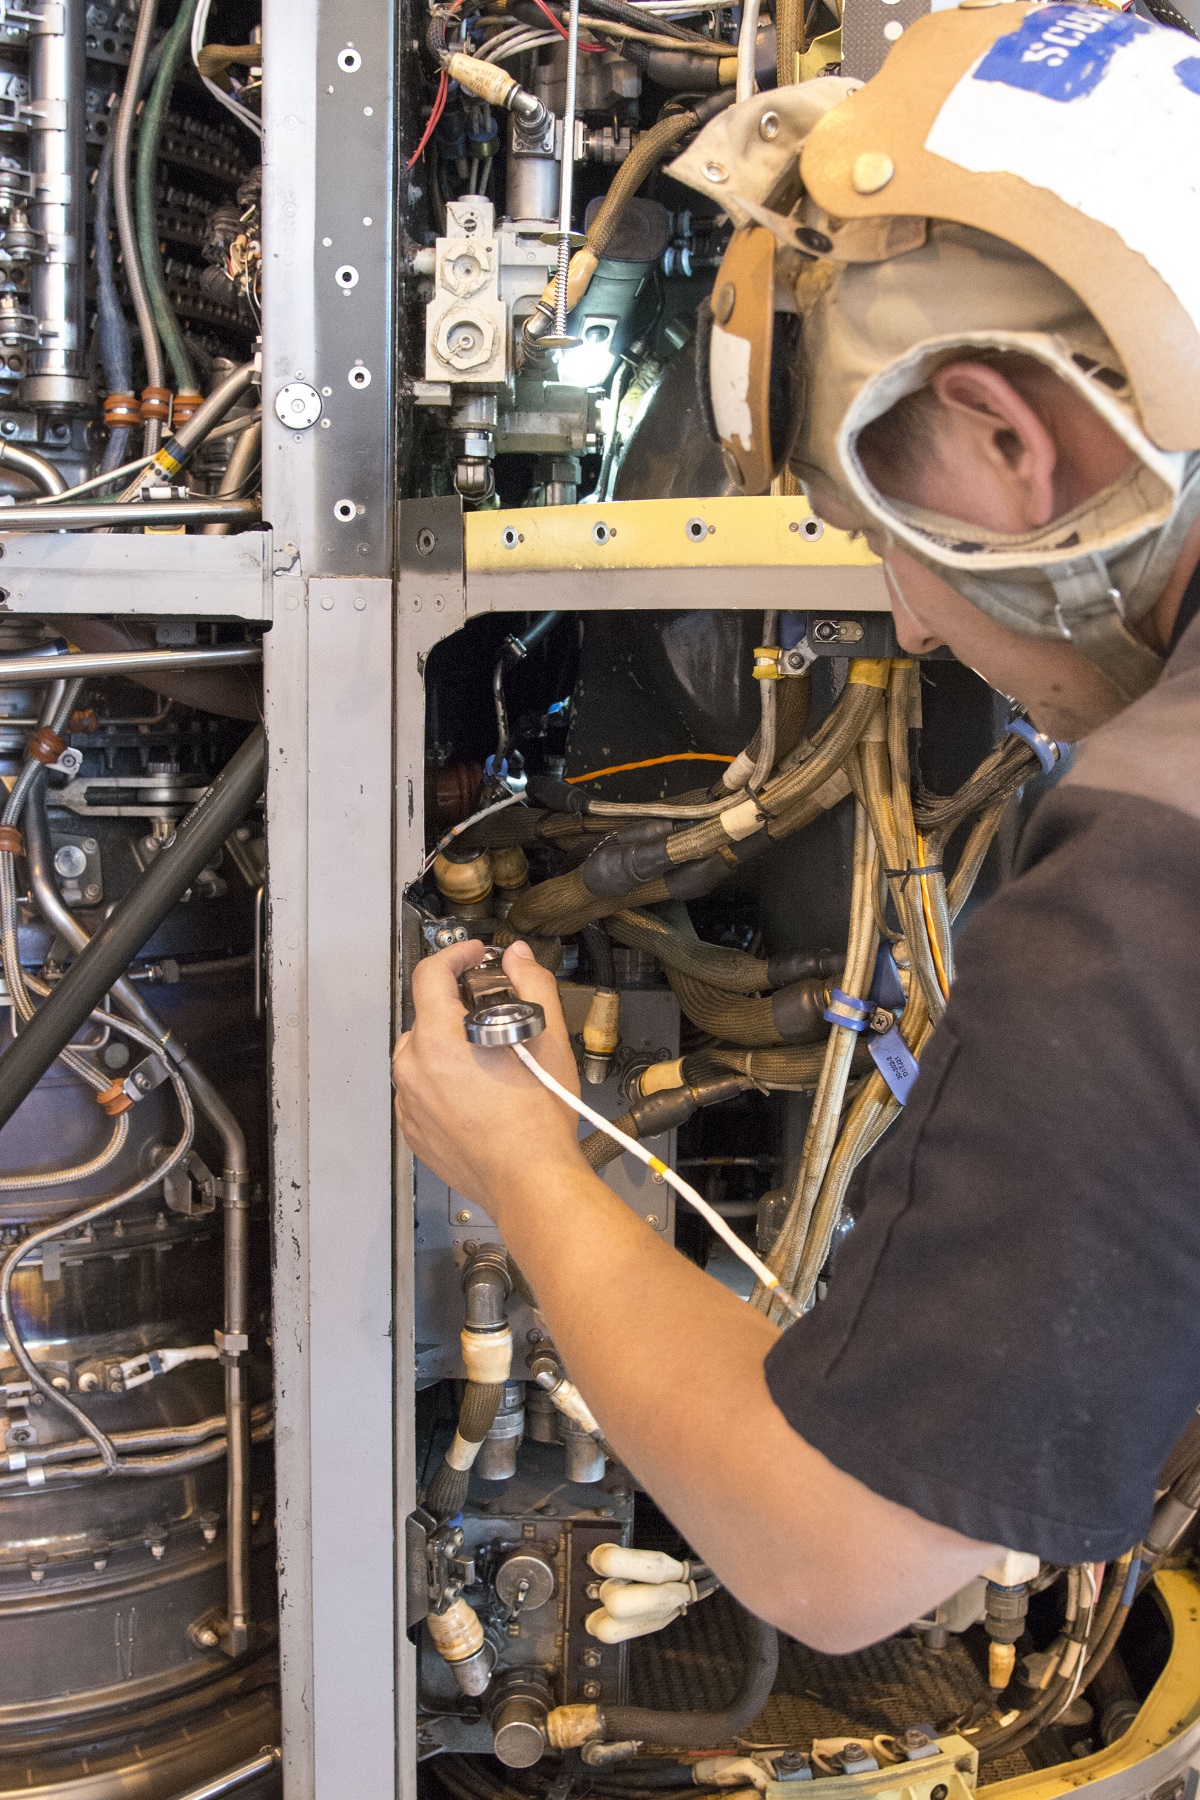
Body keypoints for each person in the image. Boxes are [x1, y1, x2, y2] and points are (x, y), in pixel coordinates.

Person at [393, 1, 1200, 1654]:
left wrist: (523, 1159)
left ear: (1000, 430)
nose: (904, 619)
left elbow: (833, 1553)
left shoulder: (1153, 862)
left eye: (878, 527)